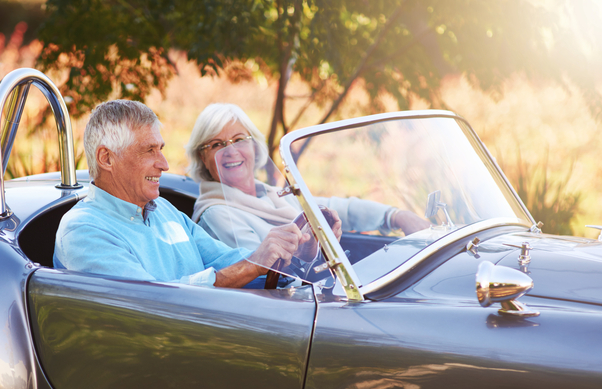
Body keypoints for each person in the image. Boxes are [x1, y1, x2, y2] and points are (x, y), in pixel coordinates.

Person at [53, 100, 308, 288]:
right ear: (107, 158)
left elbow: (225, 259)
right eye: (149, 150)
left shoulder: (164, 210)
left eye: (160, 149)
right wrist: (252, 265)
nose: (164, 164)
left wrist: (291, 255)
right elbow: (153, 302)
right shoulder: (83, 231)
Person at [186, 103, 429, 250]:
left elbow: (334, 207)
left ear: (255, 146)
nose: (231, 151)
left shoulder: (272, 194)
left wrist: (396, 216)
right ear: (202, 159)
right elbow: (262, 273)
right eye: (217, 144)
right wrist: (311, 246)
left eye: (239, 139)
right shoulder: (218, 214)